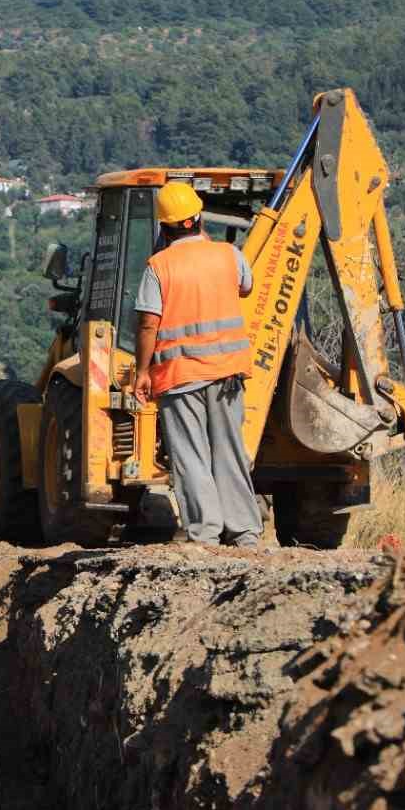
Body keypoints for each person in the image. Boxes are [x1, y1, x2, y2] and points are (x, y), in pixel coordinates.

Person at [133, 182, 262, 548]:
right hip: (227, 374)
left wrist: (143, 372)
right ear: (198, 217)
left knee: (190, 455)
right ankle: (245, 533)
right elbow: (246, 286)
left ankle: (205, 534)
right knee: (229, 451)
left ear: (165, 226)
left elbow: (147, 323)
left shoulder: (158, 266)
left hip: (180, 376)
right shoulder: (228, 254)